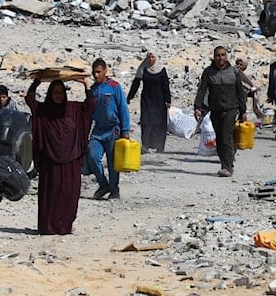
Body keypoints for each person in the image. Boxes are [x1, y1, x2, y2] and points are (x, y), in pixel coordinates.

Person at [25, 78, 96, 234]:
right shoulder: (44, 110)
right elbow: (30, 99)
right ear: (50, 93)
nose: (58, 95)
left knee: (69, 195)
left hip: (71, 160)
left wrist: (85, 84)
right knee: (51, 194)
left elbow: (90, 104)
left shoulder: (73, 109)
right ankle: (48, 228)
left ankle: (65, 226)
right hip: (50, 161)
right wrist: (37, 81)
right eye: (55, 92)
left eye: (61, 92)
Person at [193, 46, 247, 177]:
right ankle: (226, 162)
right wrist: (197, 107)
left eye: (223, 55)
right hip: (215, 109)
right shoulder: (208, 72)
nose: (220, 58)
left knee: (226, 136)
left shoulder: (234, 72)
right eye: (218, 55)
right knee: (219, 137)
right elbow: (202, 90)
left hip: (231, 109)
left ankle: (227, 167)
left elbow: (240, 92)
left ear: (226, 56)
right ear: (214, 57)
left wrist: (243, 110)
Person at [87, 59, 130, 199]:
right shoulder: (93, 90)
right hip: (98, 130)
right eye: (94, 72)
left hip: (113, 130)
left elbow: (123, 109)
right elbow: (87, 112)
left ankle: (114, 189)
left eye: (98, 72)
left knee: (113, 162)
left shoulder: (114, 87)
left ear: (106, 71)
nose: (96, 75)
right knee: (93, 157)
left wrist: (125, 131)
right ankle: (103, 184)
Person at [126, 52, 172, 153]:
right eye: (149, 57)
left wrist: (168, 100)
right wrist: (129, 97)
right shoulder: (143, 69)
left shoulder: (161, 69)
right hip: (147, 99)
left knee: (159, 123)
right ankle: (145, 145)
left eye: (152, 57)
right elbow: (136, 84)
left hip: (160, 100)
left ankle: (159, 146)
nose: (150, 59)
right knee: (146, 122)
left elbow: (165, 86)